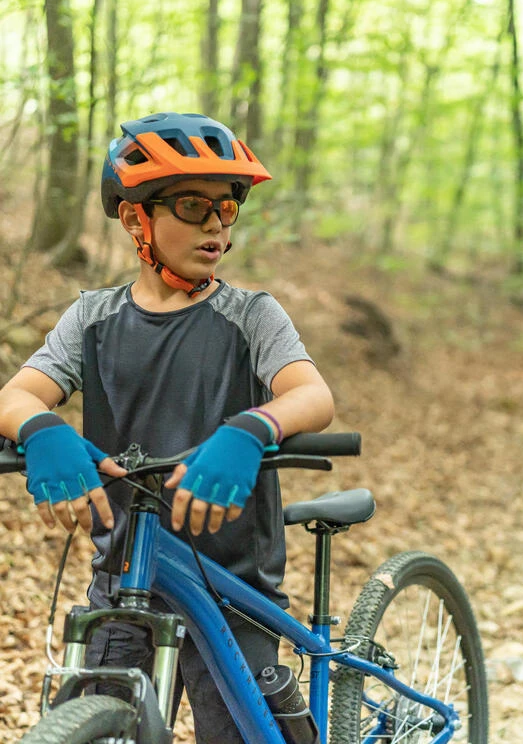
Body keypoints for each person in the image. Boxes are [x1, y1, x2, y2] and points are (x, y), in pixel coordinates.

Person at [0, 111, 335, 742]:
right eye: (191, 204)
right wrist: (43, 429)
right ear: (135, 219)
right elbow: (16, 394)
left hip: (232, 587)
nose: (215, 222)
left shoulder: (251, 316)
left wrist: (251, 429)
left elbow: (311, 395)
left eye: (226, 207)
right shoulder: (92, 318)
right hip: (127, 574)